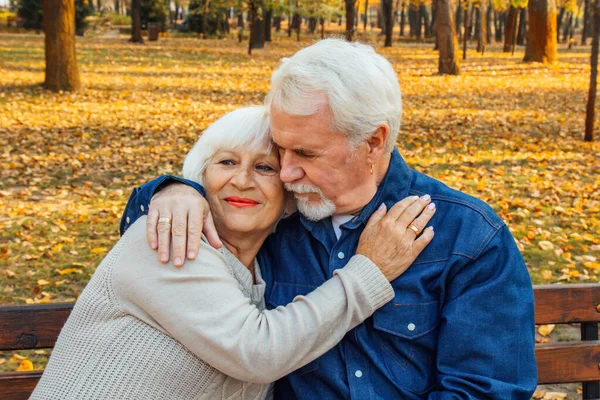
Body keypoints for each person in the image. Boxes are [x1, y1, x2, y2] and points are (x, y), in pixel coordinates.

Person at [121, 39, 537, 398]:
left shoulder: (464, 236)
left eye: (306, 154)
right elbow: (158, 233)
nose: (285, 173)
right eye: (281, 149)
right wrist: (173, 191)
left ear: (373, 142)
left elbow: (486, 390)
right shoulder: (274, 220)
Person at [30, 106, 436, 400]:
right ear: (201, 177)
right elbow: (258, 352)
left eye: (264, 168)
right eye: (226, 162)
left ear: (291, 191)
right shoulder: (169, 241)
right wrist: (368, 272)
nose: (241, 180)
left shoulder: (265, 273)